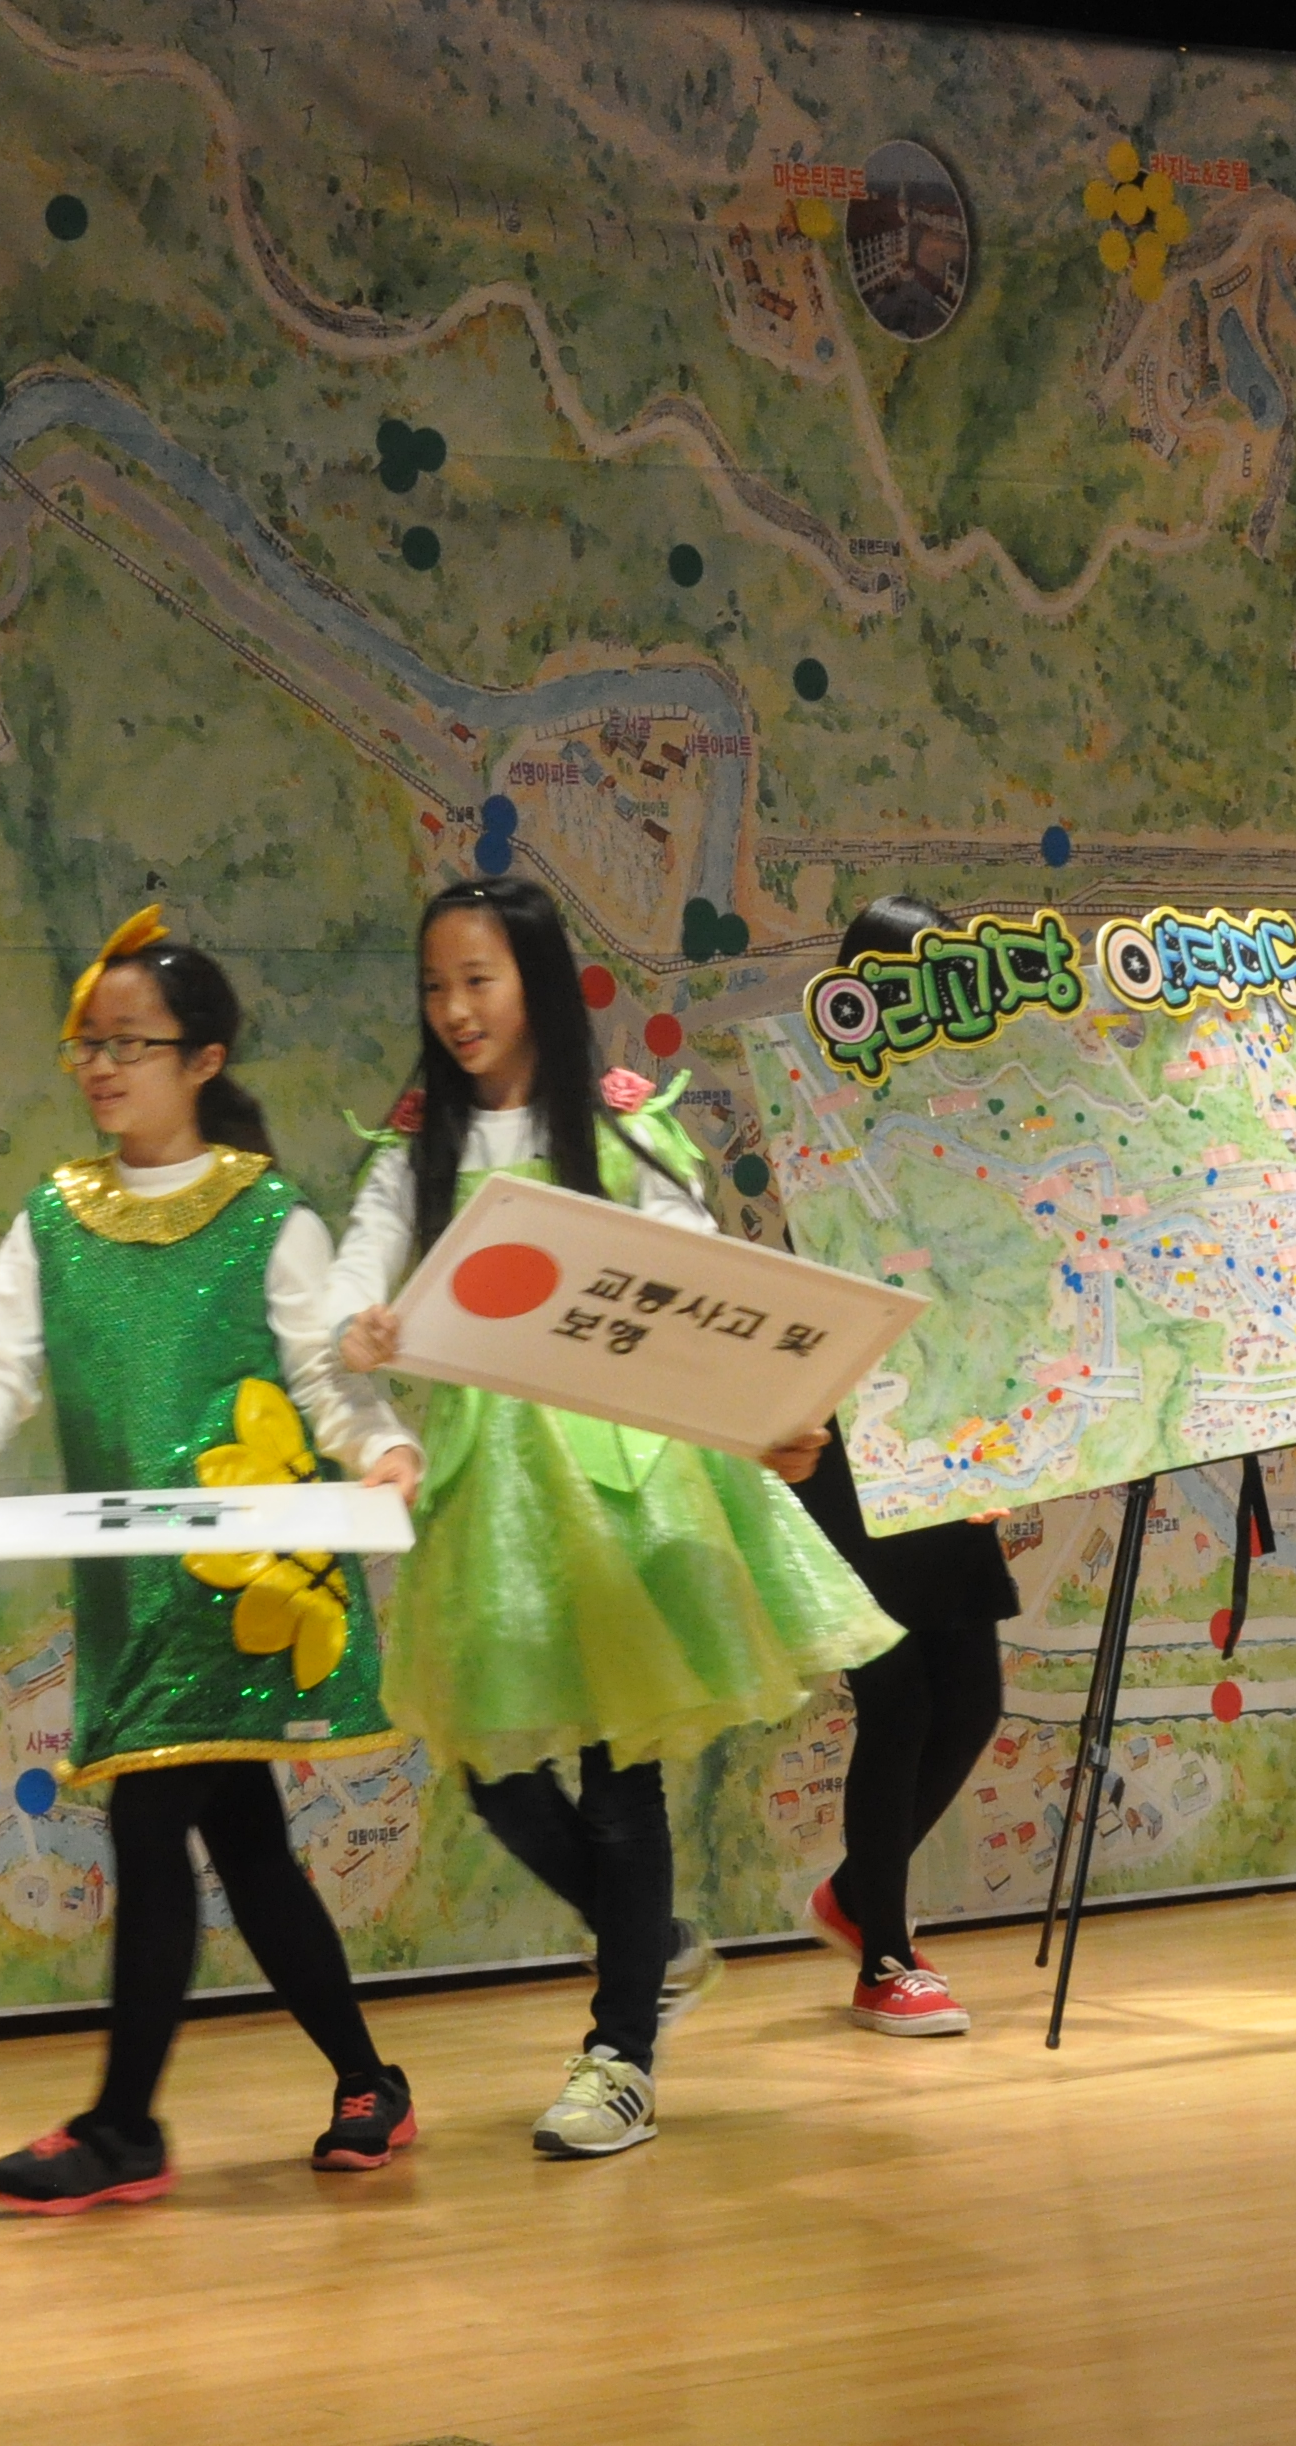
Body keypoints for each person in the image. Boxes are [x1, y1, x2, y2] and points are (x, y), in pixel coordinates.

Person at [331, 875, 900, 2155]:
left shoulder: (625, 1123)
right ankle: (652, 1946)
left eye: (477, 979)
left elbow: (700, 1294)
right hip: (489, 1498)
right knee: (491, 1766)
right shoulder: (416, 1138)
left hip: (623, 1478)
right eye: (435, 985)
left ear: (536, 983)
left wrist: (763, 1419)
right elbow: (361, 1265)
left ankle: (620, 2056)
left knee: (619, 1770)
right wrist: (358, 1324)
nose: (454, 1008)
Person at [0, 910, 424, 2205]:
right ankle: (368, 2079)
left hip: (241, 1585)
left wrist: (380, 1447)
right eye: (89, 1043)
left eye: (130, 1043)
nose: (102, 1066)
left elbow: (322, 1371)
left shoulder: (267, 1212)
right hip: (130, 1586)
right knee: (244, 1840)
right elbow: (1, 1362)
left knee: (150, 1821)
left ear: (203, 1059)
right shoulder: (54, 1215)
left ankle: (124, 2124)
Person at [786, 896, 1026, 2036]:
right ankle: (883, 1951)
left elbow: (989, 1295)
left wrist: (993, 1444)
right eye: (898, 983)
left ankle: (854, 1893)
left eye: (938, 982)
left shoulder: (963, 1116)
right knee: (896, 1697)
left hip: (944, 1437)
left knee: (970, 1697)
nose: (921, 1004)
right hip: (850, 1444)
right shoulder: (818, 1119)